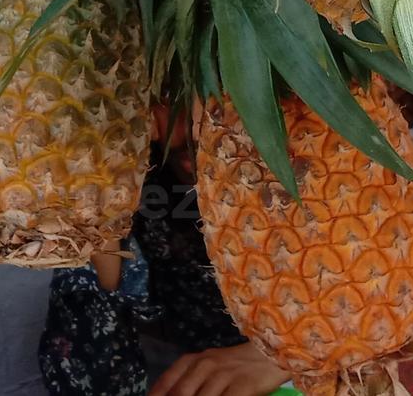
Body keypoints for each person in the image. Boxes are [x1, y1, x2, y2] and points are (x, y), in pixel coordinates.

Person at [38, 122, 288, 396]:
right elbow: (86, 376)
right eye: (162, 93)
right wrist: (101, 230)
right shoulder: (138, 173)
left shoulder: (318, 159)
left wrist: (289, 360)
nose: (175, 131)